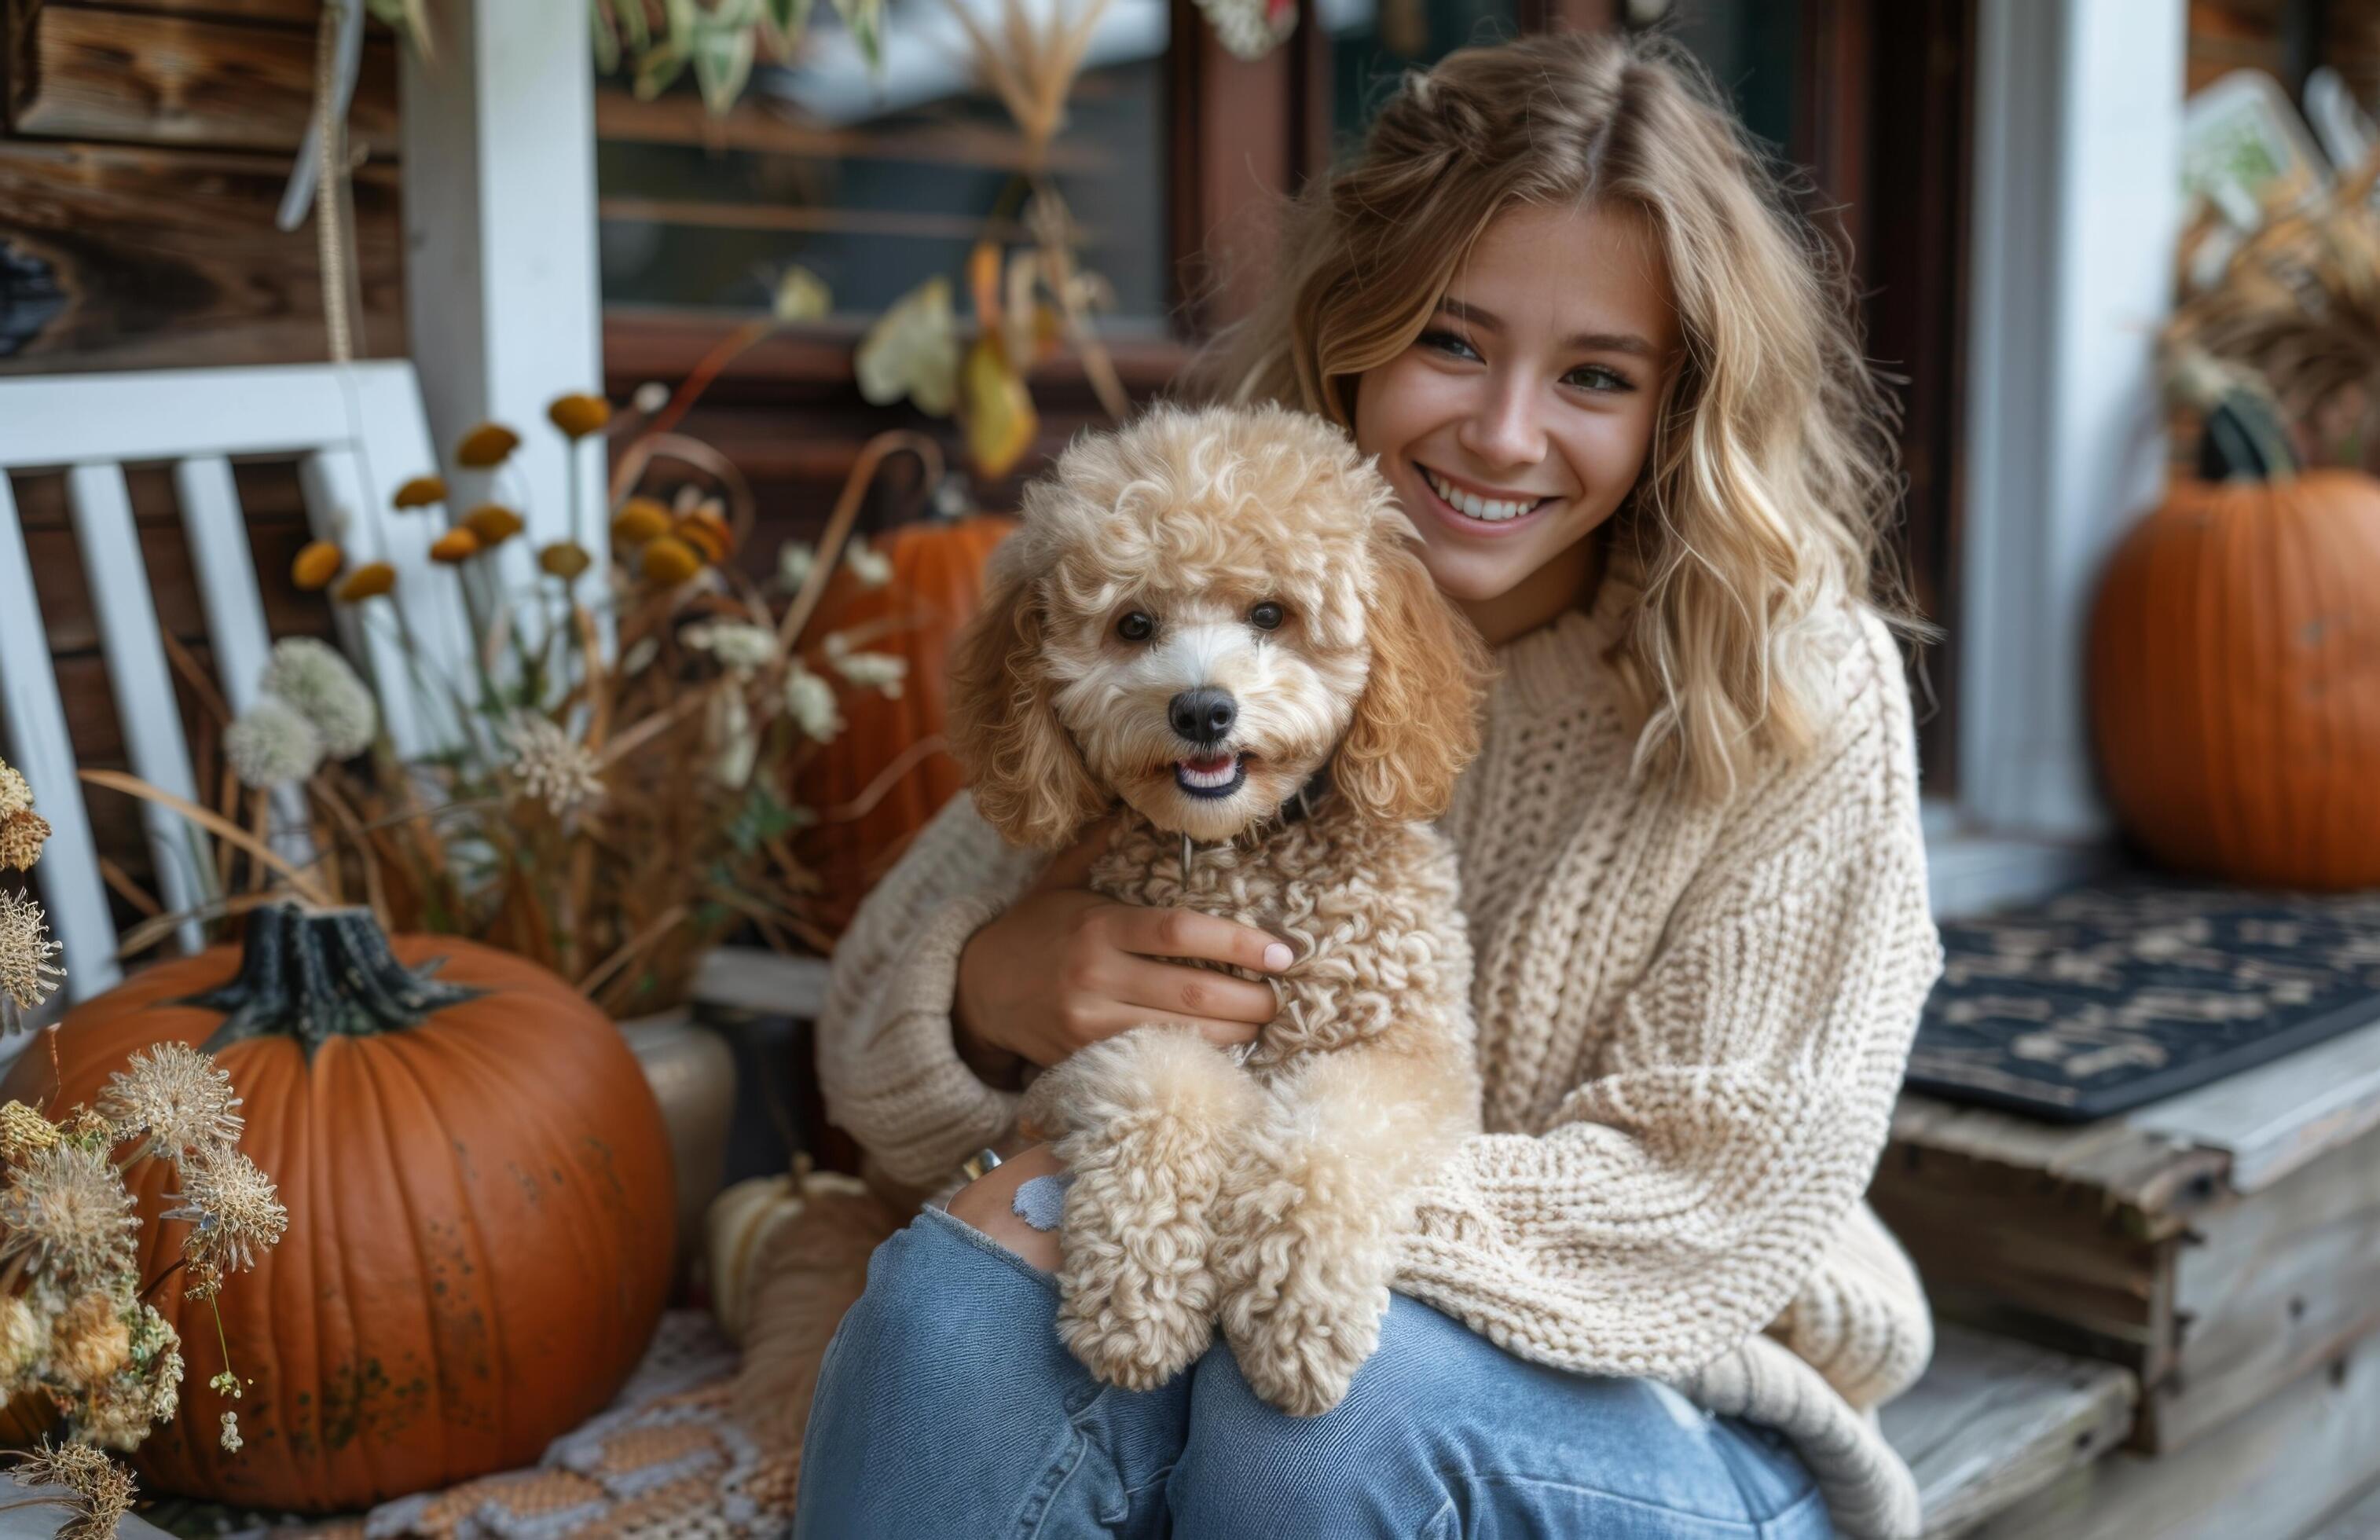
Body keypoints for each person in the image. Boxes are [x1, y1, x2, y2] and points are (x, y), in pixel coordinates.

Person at [792, 27, 1944, 1540]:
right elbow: (869, 1030)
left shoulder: (1786, 681)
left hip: (1687, 1402)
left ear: (1678, 409)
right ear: (1352, 330)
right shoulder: (1210, 613)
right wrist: (988, 999)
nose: (1503, 433)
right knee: (955, 1306)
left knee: (1324, 1409)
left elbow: (1711, 1197)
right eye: (1451, 342)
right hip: (1252, 1320)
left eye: (1594, 375)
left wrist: (1270, 1205)